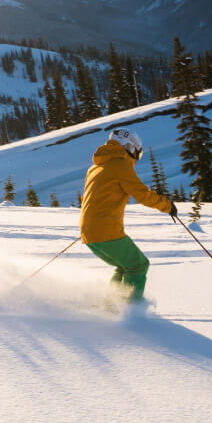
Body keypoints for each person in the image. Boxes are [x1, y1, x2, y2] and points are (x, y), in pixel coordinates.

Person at [79, 127, 176, 304]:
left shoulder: (96, 167)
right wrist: (167, 205)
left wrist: (91, 225)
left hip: (90, 231)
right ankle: (131, 311)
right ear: (130, 147)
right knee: (138, 266)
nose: (136, 158)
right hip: (105, 229)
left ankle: (110, 306)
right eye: (137, 153)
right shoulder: (119, 164)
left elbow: (92, 197)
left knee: (124, 267)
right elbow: (141, 194)